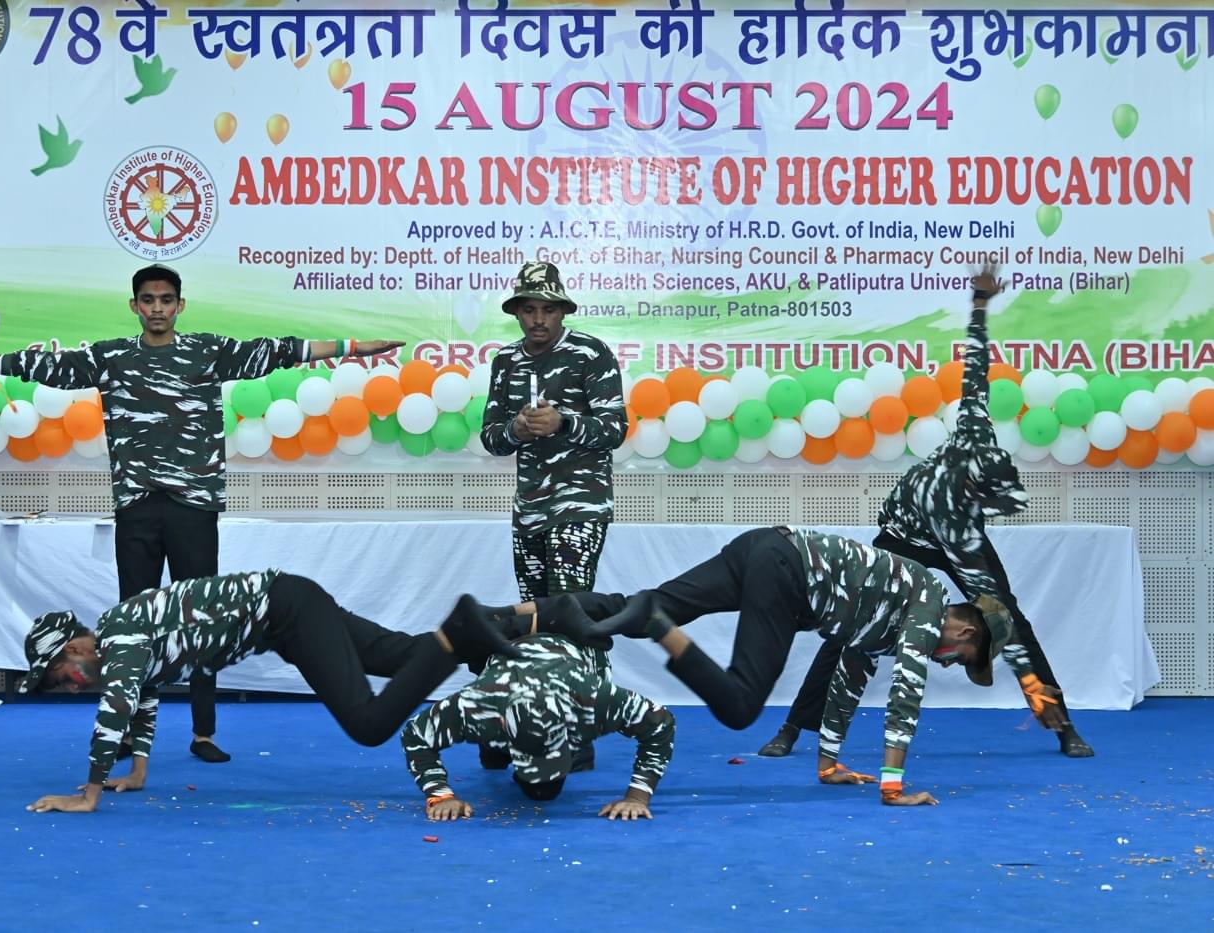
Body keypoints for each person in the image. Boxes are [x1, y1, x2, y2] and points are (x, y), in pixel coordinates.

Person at [0, 264, 404, 764]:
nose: (157, 308)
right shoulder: (111, 358)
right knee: (136, 624)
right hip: (137, 509)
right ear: (134, 305)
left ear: (179, 305)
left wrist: (351, 349)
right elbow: (43, 367)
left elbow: (279, 352)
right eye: (147, 299)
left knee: (203, 622)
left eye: (166, 299)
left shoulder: (206, 351)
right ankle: (129, 731)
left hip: (193, 507)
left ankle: (203, 732)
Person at [757, 264, 1092, 760]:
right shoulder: (955, 520)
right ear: (973, 489)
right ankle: (794, 727)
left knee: (1011, 619)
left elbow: (975, 370)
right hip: (904, 536)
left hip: (950, 538)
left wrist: (979, 309)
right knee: (855, 626)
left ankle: (1058, 721)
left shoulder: (975, 437)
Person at [578, 526, 1066, 806]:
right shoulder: (929, 603)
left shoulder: (887, 620)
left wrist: (828, 762)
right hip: (785, 572)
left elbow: (848, 681)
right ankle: (659, 625)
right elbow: (906, 696)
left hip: (764, 546)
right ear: (966, 633)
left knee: (653, 603)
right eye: (961, 659)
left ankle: (522, 619)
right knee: (740, 704)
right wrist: (893, 789)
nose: (948, 664)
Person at [17, 570, 518, 813]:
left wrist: (88, 795)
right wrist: (139, 772)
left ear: (77, 648)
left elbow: (116, 712)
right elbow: (143, 702)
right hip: (289, 604)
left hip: (289, 613)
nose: (67, 686)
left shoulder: (119, 636)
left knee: (369, 724)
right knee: (403, 655)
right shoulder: (124, 642)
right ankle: (518, 623)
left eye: (61, 675)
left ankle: (458, 629)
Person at [478, 260, 627, 773]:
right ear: (517, 312)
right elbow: (492, 439)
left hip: (581, 504)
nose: (539, 319)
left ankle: (582, 726)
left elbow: (614, 430)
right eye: (529, 310)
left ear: (562, 311)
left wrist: (564, 422)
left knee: (571, 614)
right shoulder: (505, 362)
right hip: (530, 508)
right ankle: (533, 717)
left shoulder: (590, 353)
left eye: (548, 309)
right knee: (532, 621)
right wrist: (518, 429)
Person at [401, 626, 674, 822]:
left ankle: (576, 749)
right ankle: (496, 748)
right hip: (506, 650)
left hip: (576, 649)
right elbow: (415, 734)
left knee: (546, 791)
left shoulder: (593, 698)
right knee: (494, 761)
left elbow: (660, 723)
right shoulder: (477, 705)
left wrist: (637, 797)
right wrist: (441, 795)